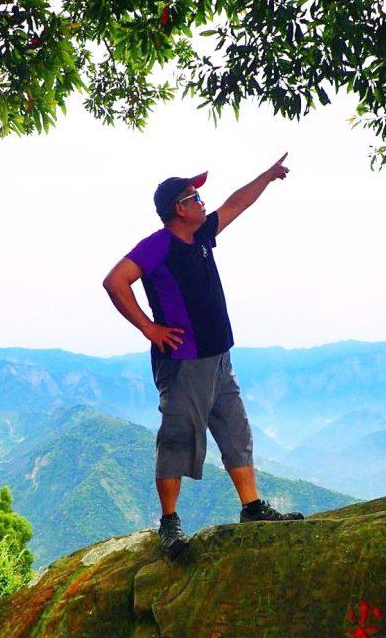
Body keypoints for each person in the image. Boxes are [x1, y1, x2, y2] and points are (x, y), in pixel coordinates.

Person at [102, 154, 304, 560]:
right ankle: (170, 523)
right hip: (184, 361)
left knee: (235, 429)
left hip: (218, 356)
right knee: (178, 437)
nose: (202, 202)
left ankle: (251, 508)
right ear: (178, 208)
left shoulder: (201, 236)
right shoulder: (159, 245)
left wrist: (265, 175)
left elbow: (236, 203)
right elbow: (115, 280)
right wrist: (149, 328)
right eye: (195, 197)